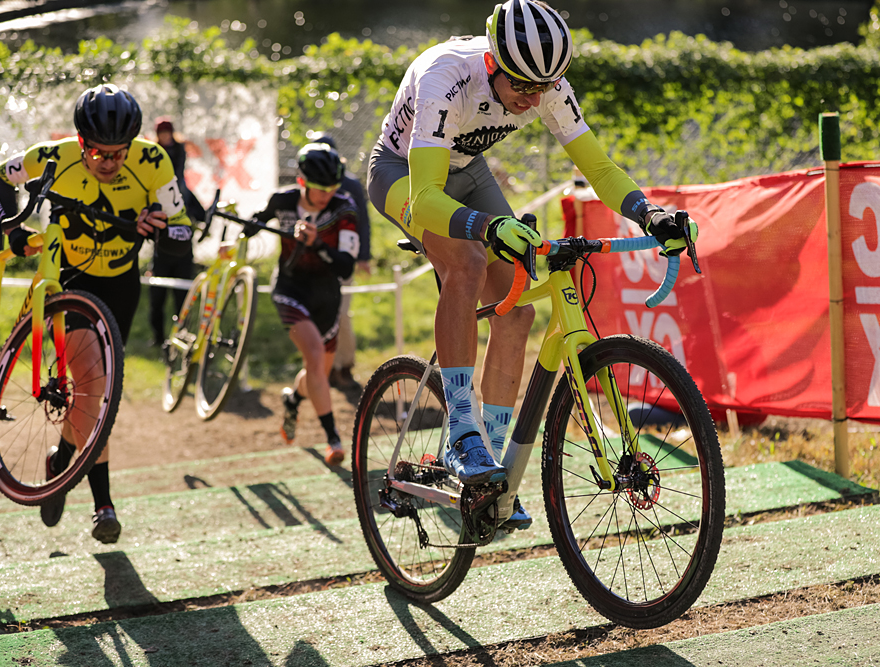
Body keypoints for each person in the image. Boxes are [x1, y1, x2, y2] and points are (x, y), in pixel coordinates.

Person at [366, 0, 696, 531]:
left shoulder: (546, 84)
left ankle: (490, 471)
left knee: (516, 310)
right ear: (492, 63)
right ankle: (463, 435)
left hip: (467, 170)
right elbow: (425, 197)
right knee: (468, 262)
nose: (533, 100)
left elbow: (599, 168)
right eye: (522, 86)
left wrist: (648, 213)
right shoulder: (445, 76)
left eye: (543, 88)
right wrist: (488, 226)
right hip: (403, 173)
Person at [0, 83, 194, 543]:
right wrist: (10, 229)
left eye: (118, 153)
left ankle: (62, 460)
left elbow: (184, 231)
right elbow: (0, 178)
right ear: (82, 142)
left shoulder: (152, 161)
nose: (109, 162)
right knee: (90, 384)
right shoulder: (51, 155)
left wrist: (159, 229)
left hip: (121, 286)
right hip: (70, 281)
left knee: (92, 396)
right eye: (99, 153)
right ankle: (103, 504)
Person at [252, 143, 360, 466]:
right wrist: (245, 229)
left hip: (327, 297)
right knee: (313, 355)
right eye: (319, 188)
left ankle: (293, 398)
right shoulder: (282, 200)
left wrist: (317, 244)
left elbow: (346, 267)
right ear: (302, 182)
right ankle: (333, 439)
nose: (327, 195)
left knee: (317, 373)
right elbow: (257, 220)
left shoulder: (344, 208)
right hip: (290, 290)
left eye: (332, 188)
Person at [316, 133, 372, 392]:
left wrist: (363, 256)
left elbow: (362, 221)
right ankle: (327, 367)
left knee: (340, 313)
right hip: (316, 258)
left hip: (343, 258)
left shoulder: (349, 184)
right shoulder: (309, 185)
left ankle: (344, 366)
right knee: (321, 313)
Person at [147, 117, 200, 350]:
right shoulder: (154, 151)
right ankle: (158, 338)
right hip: (162, 251)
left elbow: (178, 174)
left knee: (182, 297)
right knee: (157, 296)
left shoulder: (179, 150)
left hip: (183, 250)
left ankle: (184, 334)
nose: (165, 136)